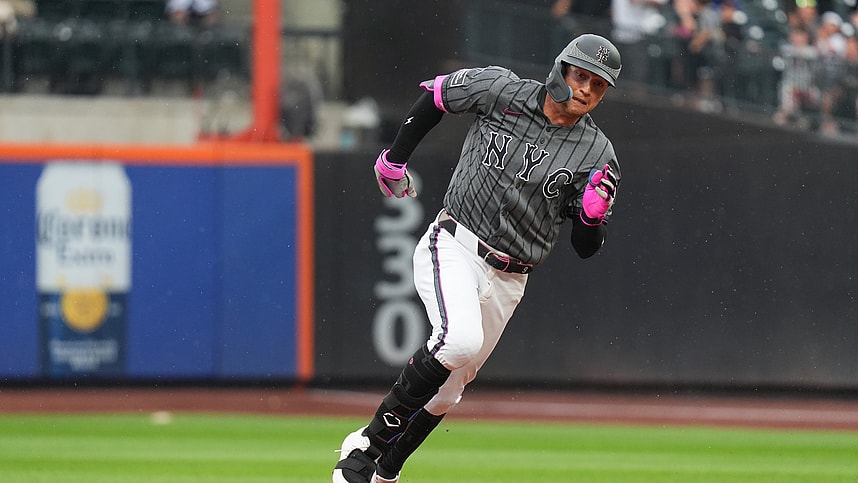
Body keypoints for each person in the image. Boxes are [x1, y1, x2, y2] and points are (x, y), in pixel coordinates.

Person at [332, 33, 623, 483]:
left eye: (598, 85)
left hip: (511, 278)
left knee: (449, 392)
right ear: (561, 68)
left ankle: (385, 473)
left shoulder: (598, 153)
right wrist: (394, 158)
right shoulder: (501, 90)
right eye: (581, 75)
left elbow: (585, 248)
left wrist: (590, 221)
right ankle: (366, 446)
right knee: (458, 341)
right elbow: (437, 95)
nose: (586, 89)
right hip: (455, 242)